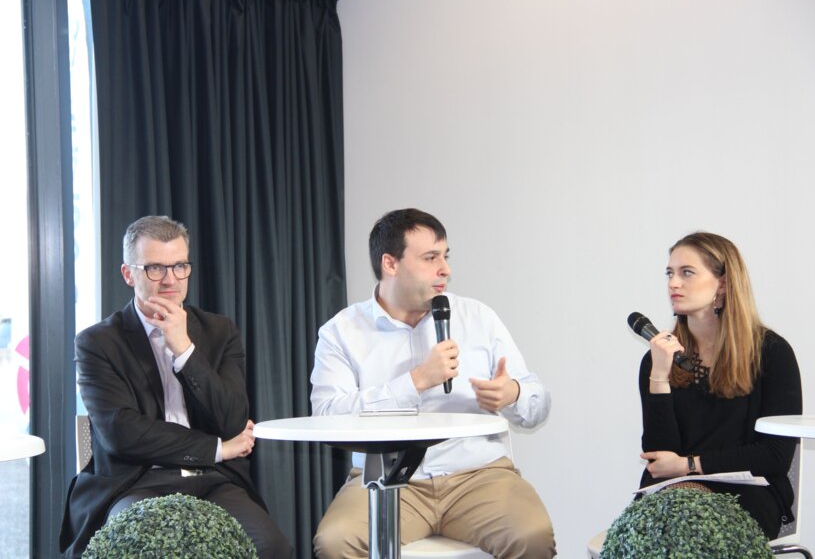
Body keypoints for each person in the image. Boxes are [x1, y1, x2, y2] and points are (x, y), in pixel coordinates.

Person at [310, 208, 556, 559]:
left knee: (532, 536)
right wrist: (415, 381)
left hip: (477, 476)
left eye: (445, 256)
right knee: (336, 542)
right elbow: (327, 416)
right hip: (387, 481)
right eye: (430, 258)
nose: (446, 269)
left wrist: (513, 393)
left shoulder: (477, 318)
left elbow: (537, 404)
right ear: (390, 264)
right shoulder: (341, 332)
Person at [60, 216, 292, 558]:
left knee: (271, 547)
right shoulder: (97, 342)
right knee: (142, 548)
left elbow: (231, 420)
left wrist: (184, 349)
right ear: (129, 274)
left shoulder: (219, 331)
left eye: (179, 266)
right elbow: (122, 434)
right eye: (155, 268)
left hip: (214, 480)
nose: (170, 280)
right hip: (136, 482)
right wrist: (217, 448)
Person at [638, 231, 802, 539]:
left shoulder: (771, 353)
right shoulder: (658, 359)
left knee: (686, 529)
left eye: (687, 273)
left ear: (723, 284)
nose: (674, 283)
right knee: (664, 526)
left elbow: (776, 455)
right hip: (671, 495)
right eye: (670, 273)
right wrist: (659, 377)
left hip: (749, 493)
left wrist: (689, 464)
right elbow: (659, 461)